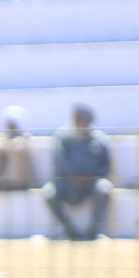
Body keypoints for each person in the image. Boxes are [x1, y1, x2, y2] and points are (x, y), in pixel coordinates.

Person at [42, 103, 112, 240]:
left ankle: (92, 233)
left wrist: (90, 176)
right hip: (67, 183)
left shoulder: (99, 139)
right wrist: (74, 175)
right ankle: (70, 231)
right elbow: (59, 162)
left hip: (90, 183)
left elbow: (105, 166)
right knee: (49, 193)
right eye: (77, 119)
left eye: (83, 119)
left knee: (104, 188)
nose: (79, 122)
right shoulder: (62, 137)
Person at [0, 106, 37, 190]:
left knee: (16, 148)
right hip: (2, 176)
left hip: (20, 180)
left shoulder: (25, 137)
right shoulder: (2, 136)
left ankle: (15, 182)